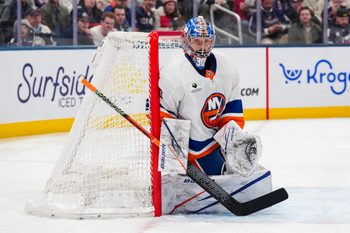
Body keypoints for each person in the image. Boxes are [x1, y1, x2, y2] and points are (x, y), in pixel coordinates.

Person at [159, 16, 272, 214]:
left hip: (219, 138)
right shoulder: (172, 73)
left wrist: (233, 142)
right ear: (185, 41)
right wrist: (176, 155)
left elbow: (232, 107)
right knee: (222, 172)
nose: (202, 47)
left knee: (245, 166)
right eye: (197, 41)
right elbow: (164, 115)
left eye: (207, 41)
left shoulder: (226, 65)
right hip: (194, 147)